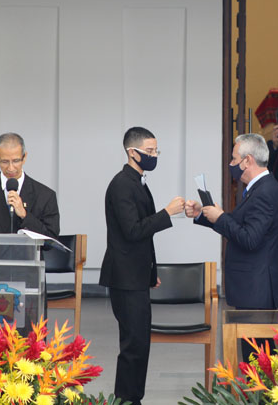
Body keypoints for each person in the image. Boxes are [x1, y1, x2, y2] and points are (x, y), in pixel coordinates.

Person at [99, 127, 184, 405]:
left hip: (135, 274)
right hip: (124, 277)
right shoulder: (122, 184)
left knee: (139, 343)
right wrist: (167, 213)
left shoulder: (137, 181)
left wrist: (151, 271)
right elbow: (133, 231)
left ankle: (132, 398)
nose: (154, 155)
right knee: (133, 345)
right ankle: (126, 399)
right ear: (131, 152)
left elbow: (143, 237)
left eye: (156, 151)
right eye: (149, 151)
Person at [185, 133, 278, 310]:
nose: (231, 164)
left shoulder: (265, 192)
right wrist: (203, 213)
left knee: (252, 330)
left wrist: (221, 217)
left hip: (256, 288)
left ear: (247, 161)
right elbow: (242, 225)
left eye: (234, 159)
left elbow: (249, 239)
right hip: (251, 287)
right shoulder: (259, 188)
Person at [0, 132, 60, 255]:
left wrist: (25, 215)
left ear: (24, 157)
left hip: (29, 266)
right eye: (5, 162)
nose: (11, 168)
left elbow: (51, 241)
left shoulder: (45, 195)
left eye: (16, 161)